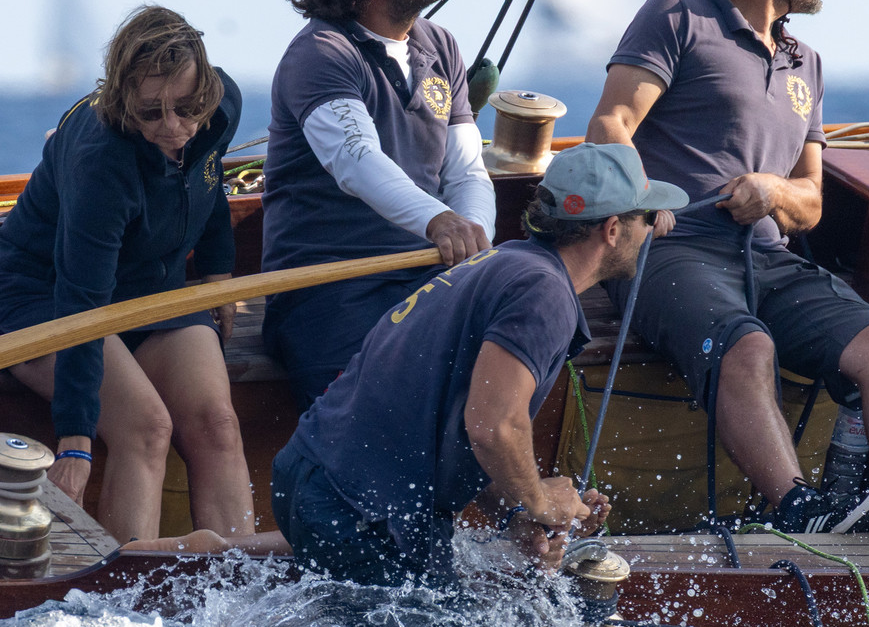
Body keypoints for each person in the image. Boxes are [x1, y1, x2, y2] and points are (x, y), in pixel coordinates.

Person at [585, 0, 869, 534]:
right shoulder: (679, 14)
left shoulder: (808, 63)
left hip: (763, 257)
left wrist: (773, 192)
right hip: (670, 249)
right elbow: (610, 123)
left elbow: (811, 202)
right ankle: (801, 511)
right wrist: (645, 203)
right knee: (748, 346)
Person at [271, 141, 686, 585]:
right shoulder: (544, 295)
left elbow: (457, 431)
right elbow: (493, 427)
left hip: (312, 475)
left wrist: (516, 514)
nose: (651, 231)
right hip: (363, 511)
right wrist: (542, 503)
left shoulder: (505, 261)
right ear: (610, 229)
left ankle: (209, 549)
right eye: (645, 219)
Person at [0, 5, 255, 544]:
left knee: (218, 424)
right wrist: (75, 439)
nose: (174, 128)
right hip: (47, 295)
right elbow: (81, 303)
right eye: (152, 113)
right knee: (146, 429)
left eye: (187, 108)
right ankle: (126, 605)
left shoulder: (218, 109)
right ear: (125, 103)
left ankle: (239, 598)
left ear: (209, 91)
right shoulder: (100, 160)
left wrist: (218, 273)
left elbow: (208, 176)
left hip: (149, 287)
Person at [262, 0, 495, 410]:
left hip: (428, 278)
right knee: (382, 424)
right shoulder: (322, 54)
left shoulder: (441, 47)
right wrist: (440, 224)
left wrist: (474, 243)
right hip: (335, 291)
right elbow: (357, 162)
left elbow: (467, 173)